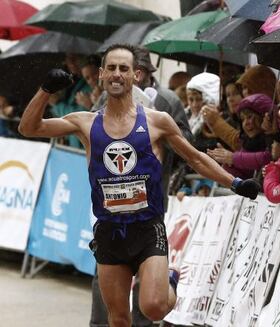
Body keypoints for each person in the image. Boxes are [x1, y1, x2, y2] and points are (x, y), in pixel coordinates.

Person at [18, 44, 260, 327]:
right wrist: (45, 90)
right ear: (101, 75)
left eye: (123, 69)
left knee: (154, 307)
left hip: (147, 228)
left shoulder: (157, 121)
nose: (117, 74)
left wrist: (235, 182)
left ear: (136, 75)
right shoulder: (85, 123)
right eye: (111, 68)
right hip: (109, 230)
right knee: (119, 320)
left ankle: (170, 280)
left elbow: (195, 158)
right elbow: (29, 128)